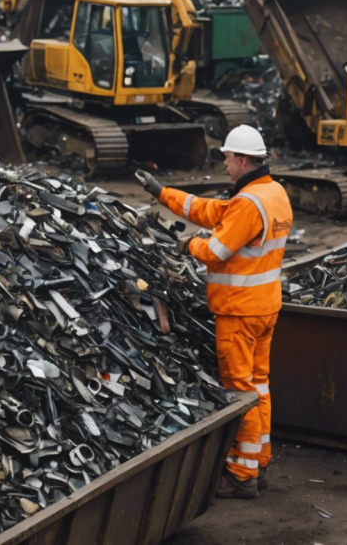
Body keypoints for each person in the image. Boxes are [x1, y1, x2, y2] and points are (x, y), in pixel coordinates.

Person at [136, 125, 293, 500]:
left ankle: (241, 476)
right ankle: (260, 461)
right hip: (265, 307)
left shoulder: (249, 203)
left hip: (239, 313)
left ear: (241, 159)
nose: (224, 163)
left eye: (227, 157)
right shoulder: (272, 193)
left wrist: (185, 243)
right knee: (259, 386)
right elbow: (212, 211)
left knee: (241, 391)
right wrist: (162, 194)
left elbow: (216, 249)